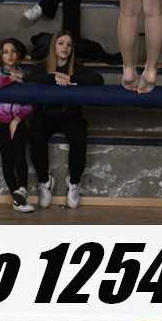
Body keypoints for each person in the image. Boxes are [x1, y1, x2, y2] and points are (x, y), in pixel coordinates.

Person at [29, 31, 104, 209]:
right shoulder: (42, 66)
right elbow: (29, 79)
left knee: (79, 137)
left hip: (70, 115)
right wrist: (53, 77)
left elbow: (98, 79)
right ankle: (45, 181)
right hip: (45, 115)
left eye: (69, 44)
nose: (65, 47)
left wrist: (71, 78)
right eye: (61, 43)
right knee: (35, 134)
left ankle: (74, 183)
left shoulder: (77, 67)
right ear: (53, 46)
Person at [0, 38, 35, 213]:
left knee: (20, 156)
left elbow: (29, 102)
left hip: (18, 121)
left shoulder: (23, 74)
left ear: (18, 55)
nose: (10, 55)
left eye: (13, 51)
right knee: (8, 157)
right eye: (5, 52)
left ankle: (22, 190)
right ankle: (17, 199)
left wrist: (17, 119)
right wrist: (11, 78)